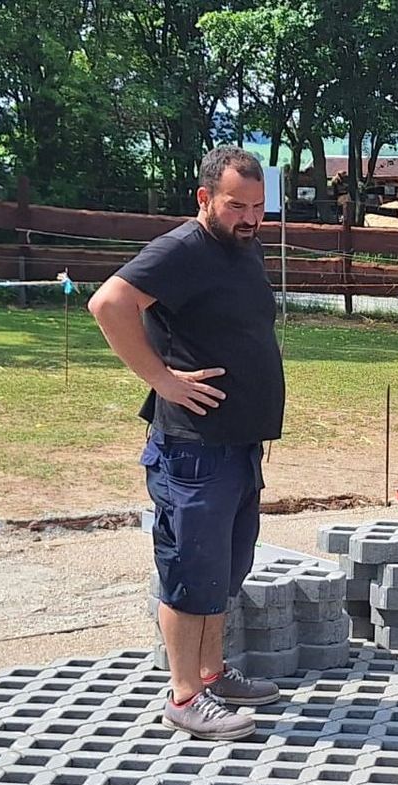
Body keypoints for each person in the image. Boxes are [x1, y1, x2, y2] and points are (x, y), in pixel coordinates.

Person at [89, 144, 284, 740]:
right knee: (188, 569)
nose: (250, 218)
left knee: (224, 568)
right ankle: (183, 696)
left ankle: (211, 672)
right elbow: (110, 302)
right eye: (236, 206)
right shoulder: (183, 248)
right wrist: (162, 379)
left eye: (257, 207)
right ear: (204, 199)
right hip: (193, 448)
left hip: (236, 442)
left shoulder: (240, 249)